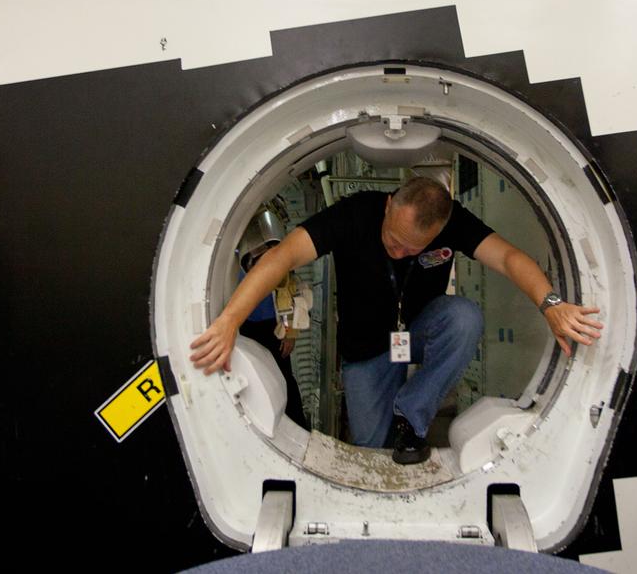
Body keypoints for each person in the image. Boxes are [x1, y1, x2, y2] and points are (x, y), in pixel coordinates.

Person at [190, 176, 603, 465]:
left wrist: (551, 303)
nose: (400, 253)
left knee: (464, 318)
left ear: (441, 228)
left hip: (418, 329)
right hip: (366, 348)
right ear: (389, 207)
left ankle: (412, 413)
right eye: (393, 242)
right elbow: (282, 256)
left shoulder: (453, 221)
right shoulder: (354, 214)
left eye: (414, 249)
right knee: (371, 453)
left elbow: (510, 259)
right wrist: (229, 320)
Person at [236, 204, 313, 431]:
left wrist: (289, 332)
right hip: (244, 325)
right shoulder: (233, 244)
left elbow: (288, 290)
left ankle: (297, 428)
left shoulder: (270, 239)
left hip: (272, 325)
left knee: (283, 378)